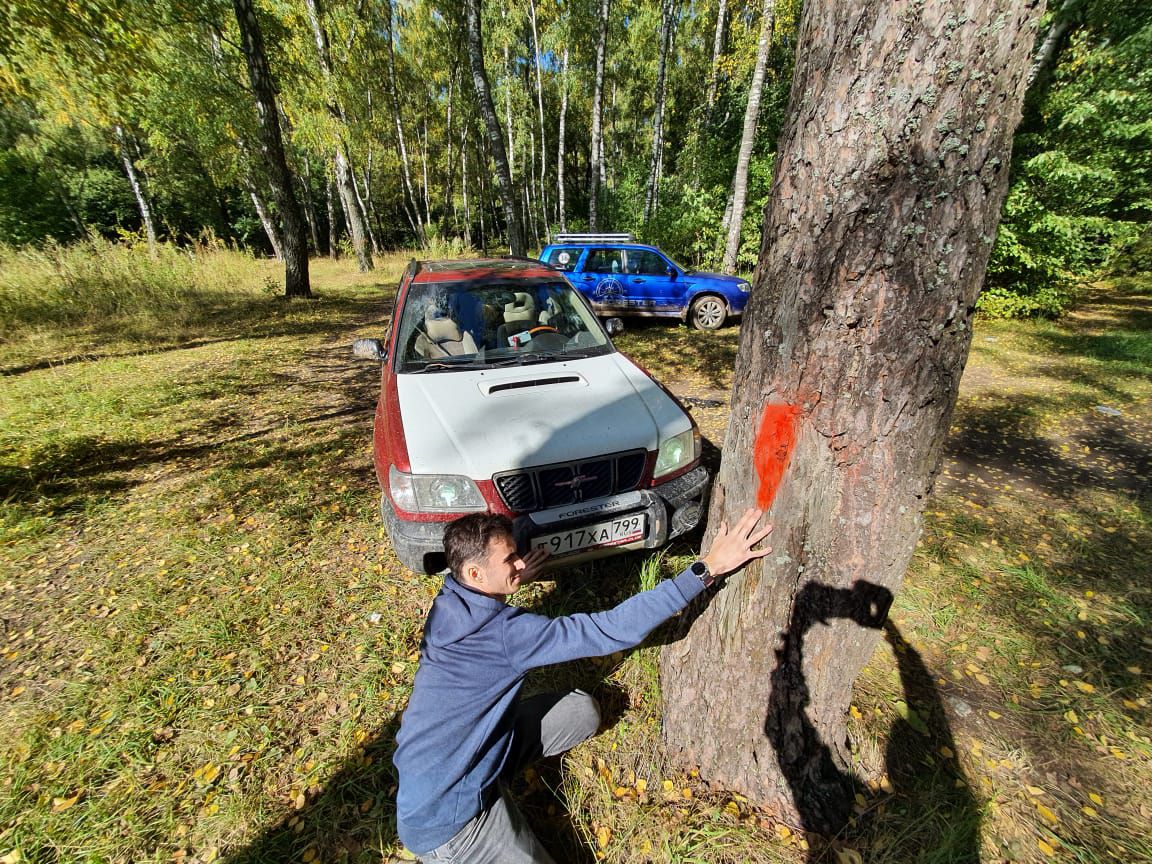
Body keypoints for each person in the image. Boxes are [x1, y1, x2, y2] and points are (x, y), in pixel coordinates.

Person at [393, 508, 774, 863]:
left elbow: (488, 619)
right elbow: (611, 630)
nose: (521, 563)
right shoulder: (508, 636)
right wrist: (706, 569)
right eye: (510, 560)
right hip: (449, 820)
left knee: (581, 712)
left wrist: (509, 581)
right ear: (475, 574)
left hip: (454, 759)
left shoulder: (449, 604)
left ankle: (493, 775)